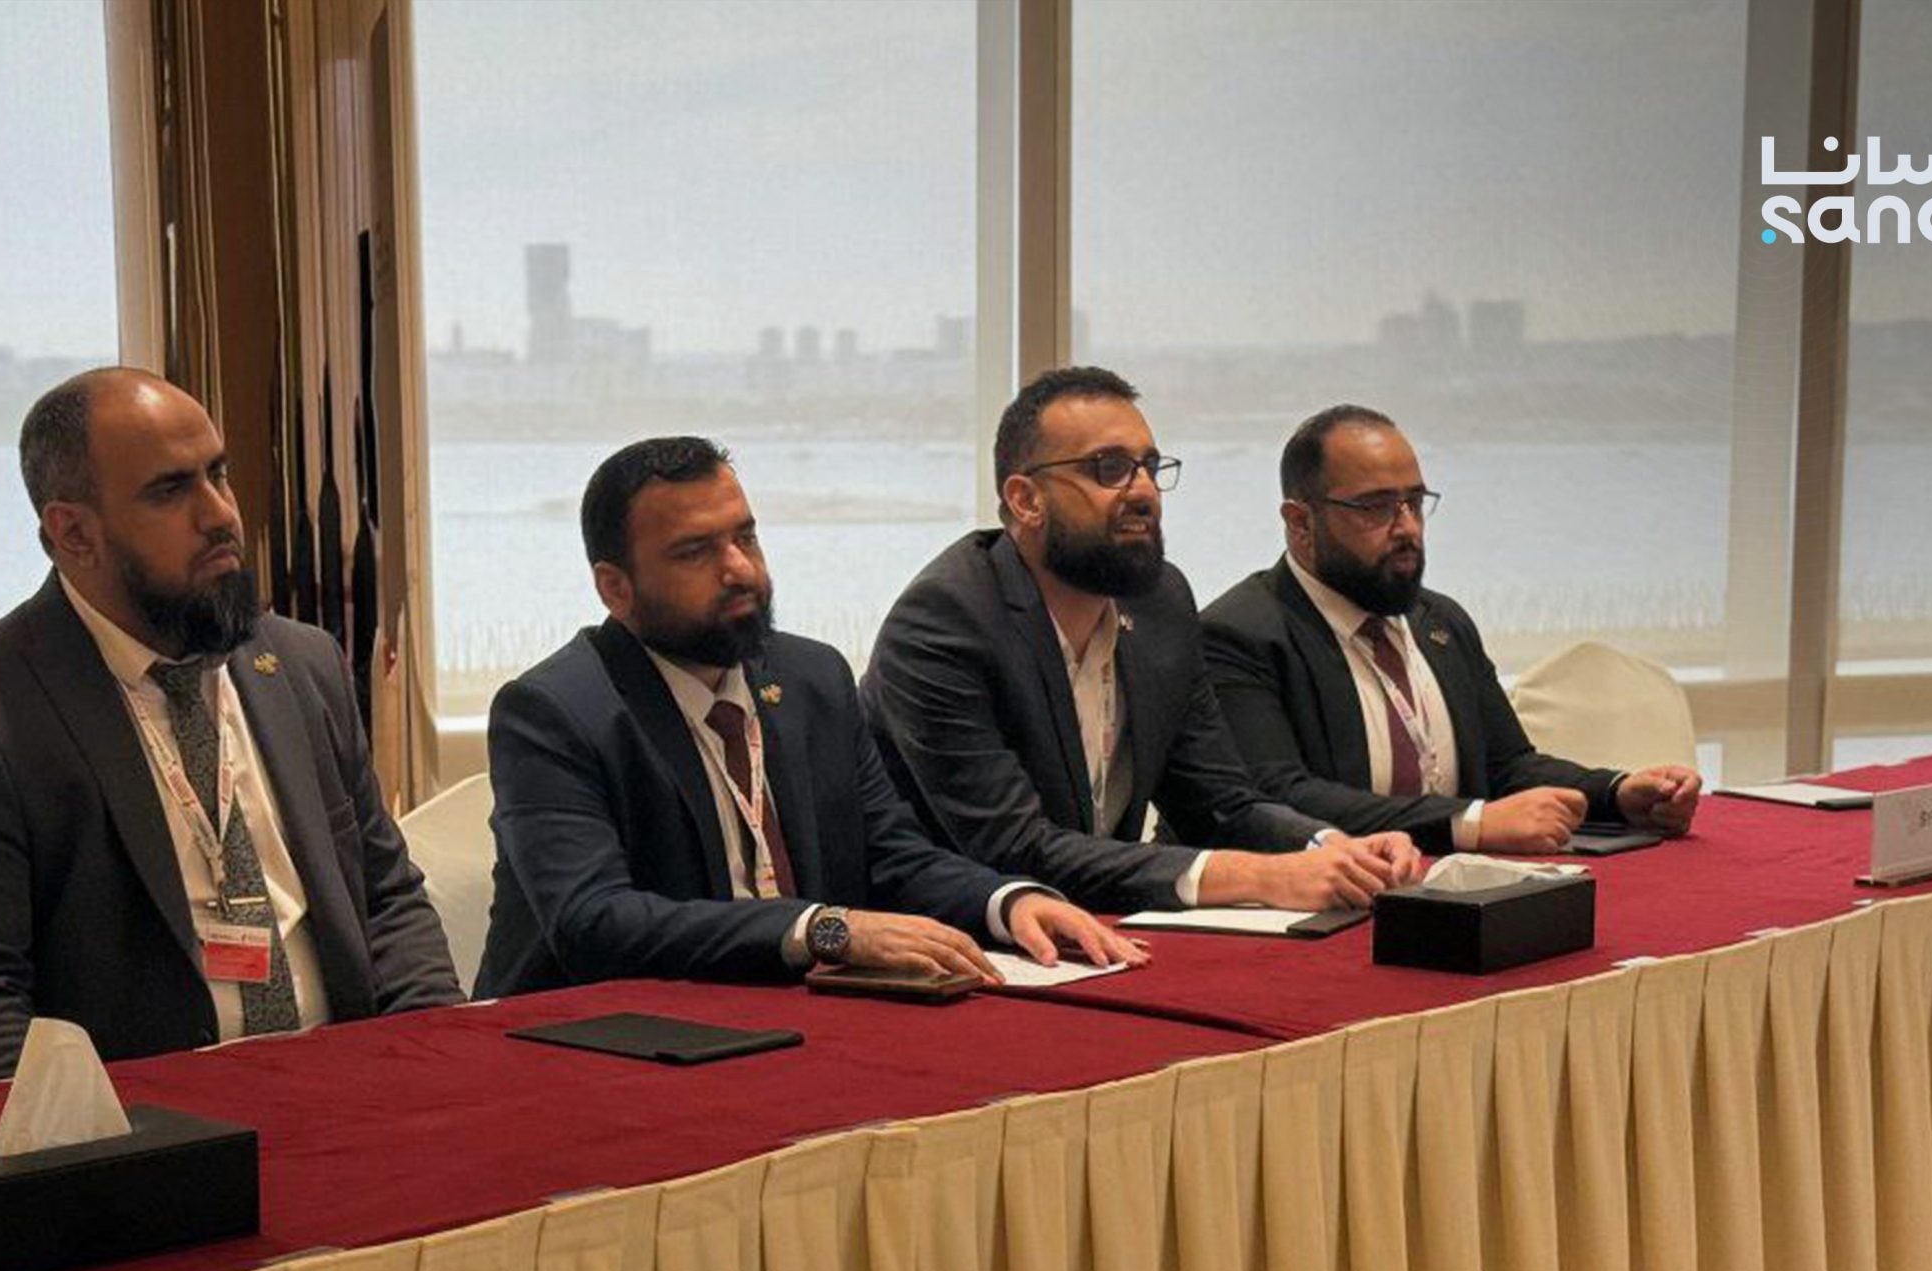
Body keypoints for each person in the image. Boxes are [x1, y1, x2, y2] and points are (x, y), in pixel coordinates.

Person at [0, 368, 460, 1091]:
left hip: (350, 1095)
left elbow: (387, 899)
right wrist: (137, 1144)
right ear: (75, 532)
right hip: (130, 1131)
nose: (220, 514)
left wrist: (436, 1063)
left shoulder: (301, 665)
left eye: (219, 474)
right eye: (170, 490)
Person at [477, 435, 1142, 999]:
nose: (739, 569)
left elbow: (892, 855)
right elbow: (595, 922)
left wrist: (1009, 902)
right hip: (592, 1037)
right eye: (695, 552)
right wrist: (823, 929)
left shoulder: (811, 678)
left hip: (787, 1017)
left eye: (745, 536)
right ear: (615, 588)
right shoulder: (555, 712)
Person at [860, 366, 1421, 916]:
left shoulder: (1159, 603)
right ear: (1027, 500)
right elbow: (1014, 848)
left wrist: (1329, 846)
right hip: (957, 938)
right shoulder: (947, 620)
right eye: (1110, 469)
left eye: (1150, 467)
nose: (1146, 492)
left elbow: (1218, 802)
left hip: (1101, 929)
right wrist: (1259, 876)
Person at [1196, 404, 1701, 854]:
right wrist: (1469, 824)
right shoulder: (1238, 634)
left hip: (1449, 894)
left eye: (1414, 502)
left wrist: (1616, 793)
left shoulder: (1439, 623)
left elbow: (1507, 767)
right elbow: (1280, 797)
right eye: (1376, 507)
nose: (1407, 528)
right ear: (1300, 523)